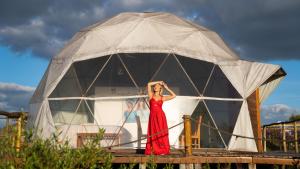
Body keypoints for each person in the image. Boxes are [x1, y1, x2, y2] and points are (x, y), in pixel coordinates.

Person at [144, 81, 176, 155]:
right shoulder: (151, 95)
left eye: (157, 86)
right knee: (153, 132)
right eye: (154, 86)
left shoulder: (162, 97)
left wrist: (167, 88)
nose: (155, 87)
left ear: (160, 88)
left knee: (161, 132)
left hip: (161, 117)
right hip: (153, 117)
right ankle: (154, 149)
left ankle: (162, 149)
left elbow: (174, 95)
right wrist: (159, 82)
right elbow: (148, 84)